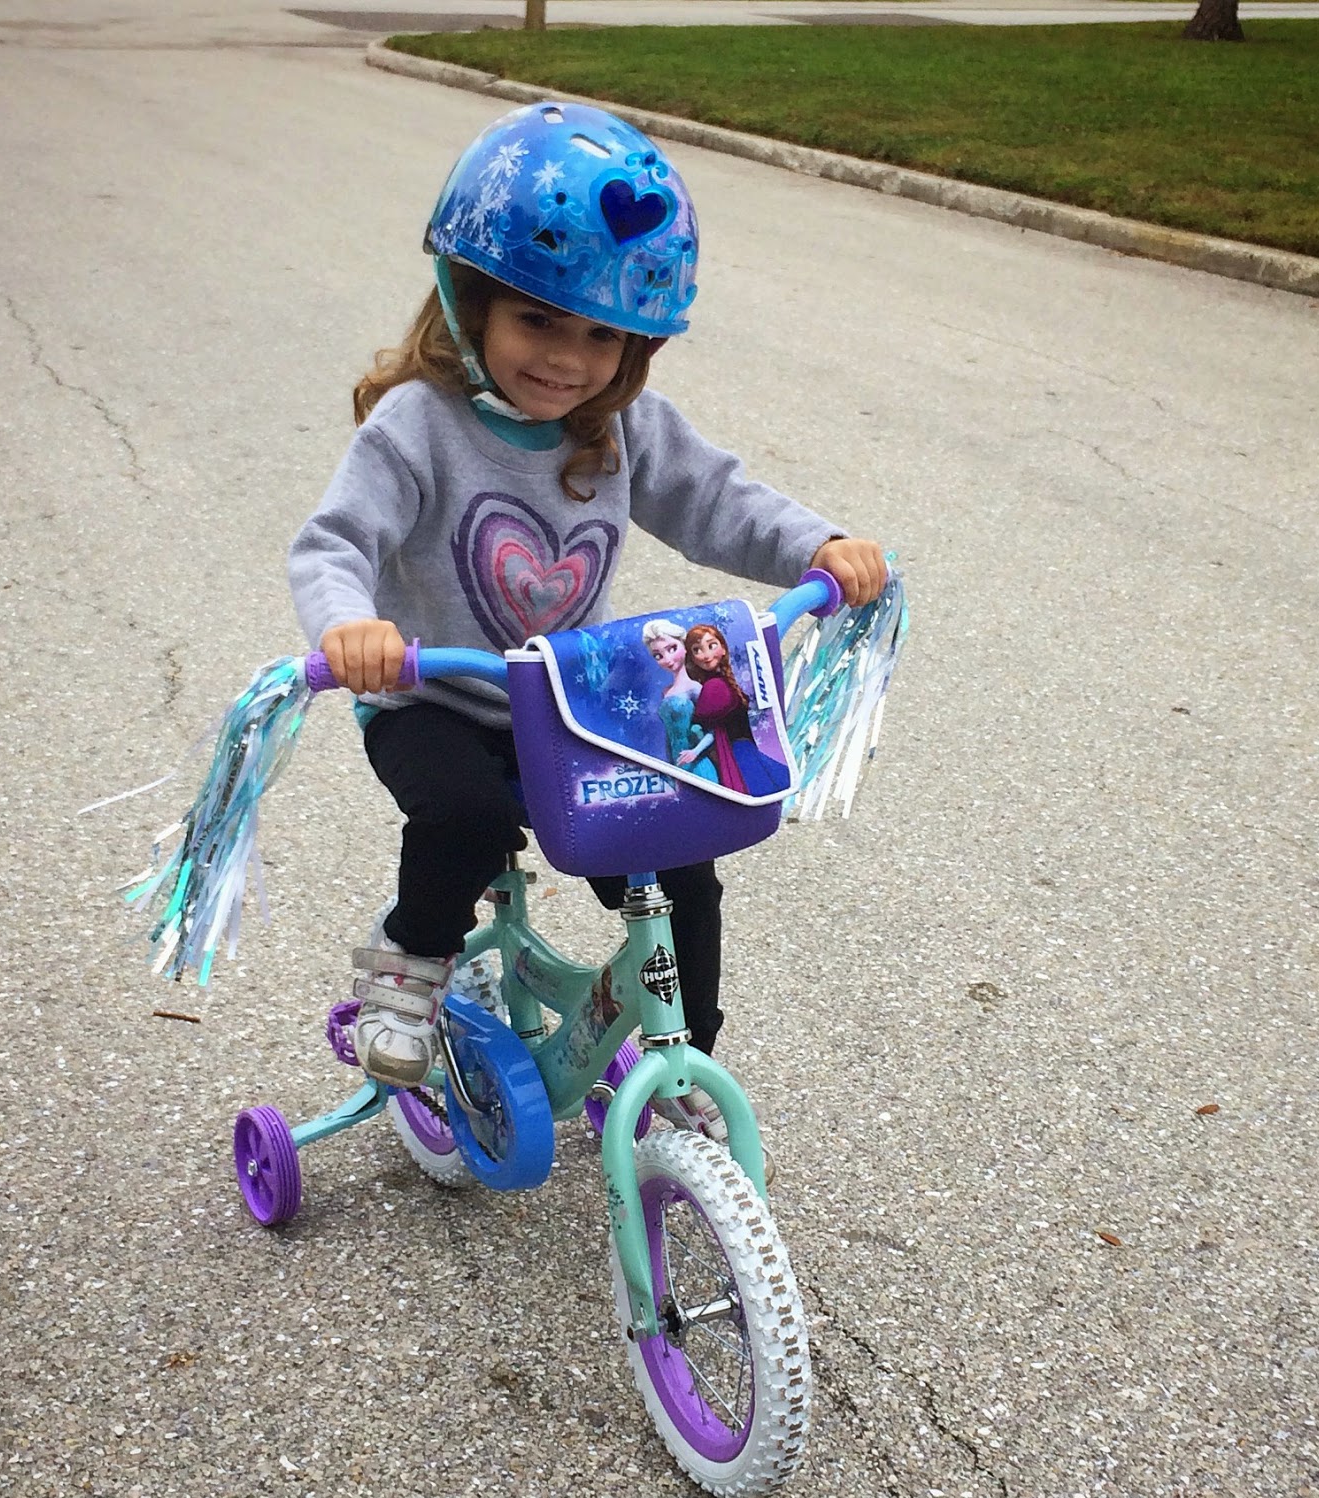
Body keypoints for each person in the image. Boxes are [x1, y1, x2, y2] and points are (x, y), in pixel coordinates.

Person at [288, 101, 886, 1093]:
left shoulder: (619, 426)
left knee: (678, 854)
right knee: (468, 815)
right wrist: (350, 628)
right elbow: (334, 542)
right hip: (429, 698)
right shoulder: (416, 426)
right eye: (537, 318)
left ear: (636, 348)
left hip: (557, 706)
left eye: (602, 335)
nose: (566, 358)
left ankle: (683, 1052)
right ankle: (411, 961)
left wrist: (816, 546)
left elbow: (713, 497)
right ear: (469, 297)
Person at [676, 623, 792, 796]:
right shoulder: (724, 683)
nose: (706, 655)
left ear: (723, 648)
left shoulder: (715, 687)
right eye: (697, 650)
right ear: (691, 658)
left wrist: (695, 751)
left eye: (711, 645)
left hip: (737, 753)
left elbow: (714, 730)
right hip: (745, 748)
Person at [642, 618, 719, 783]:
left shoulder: (694, 688)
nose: (668, 659)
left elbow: (715, 729)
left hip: (697, 764)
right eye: (658, 655)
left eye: (672, 649)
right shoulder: (666, 692)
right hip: (676, 766)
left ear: (685, 647)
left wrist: (696, 751)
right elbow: (669, 737)